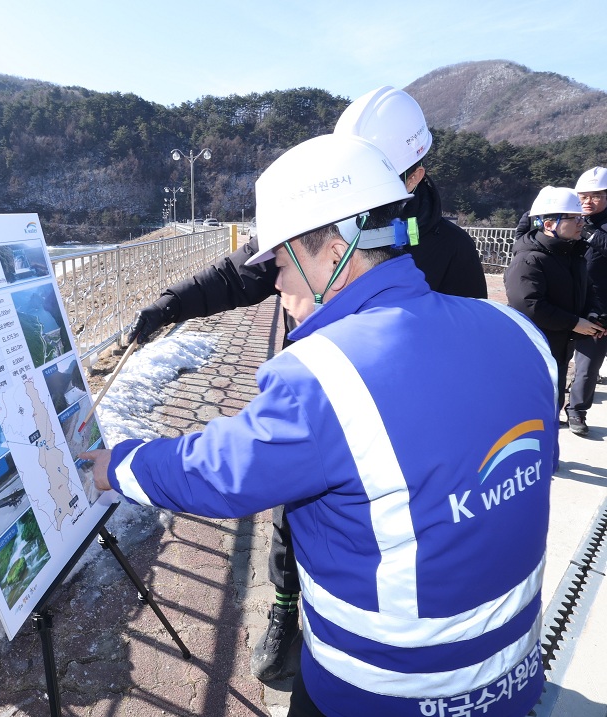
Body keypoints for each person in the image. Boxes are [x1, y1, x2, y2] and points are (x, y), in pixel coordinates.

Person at [84, 132, 556, 717]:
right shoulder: (520, 336)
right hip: (510, 677)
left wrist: (119, 464)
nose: (275, 284)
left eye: (281, 262)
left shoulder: (326, 373)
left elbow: (219, 473)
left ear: (334, 251)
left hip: (383, 689)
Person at [127, 86, 488, 683]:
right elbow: (241, 273)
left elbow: (464, 350)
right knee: (293, 518)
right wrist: (169, 305)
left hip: (400, 439)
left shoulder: (449, 249)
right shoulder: (322, 218)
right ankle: (285, 609)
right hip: (320, 407)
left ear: (417, 170)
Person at [504, 186, 604, 422]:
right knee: (531, 405)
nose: (581, 223)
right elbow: (529, 305)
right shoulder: (529, 259)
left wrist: (591, 313)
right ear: (548, 224)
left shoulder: (573, 255)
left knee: (552, 402)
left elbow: (588, 289)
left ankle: (548, 455)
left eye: (581, 217)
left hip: (560, 345)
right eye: (574, 218)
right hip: (535, 348)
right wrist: (573, 323)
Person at [565, 167, 607, 435]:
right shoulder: (567, 215)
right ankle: (548, 407)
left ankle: (577, 411)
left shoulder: (590, 226)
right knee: (553, 359)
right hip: (565, 301)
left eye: (595, 196)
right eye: (583, 196)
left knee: (588, 366)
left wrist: (587, 231)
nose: (587, 202)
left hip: (599, 306)